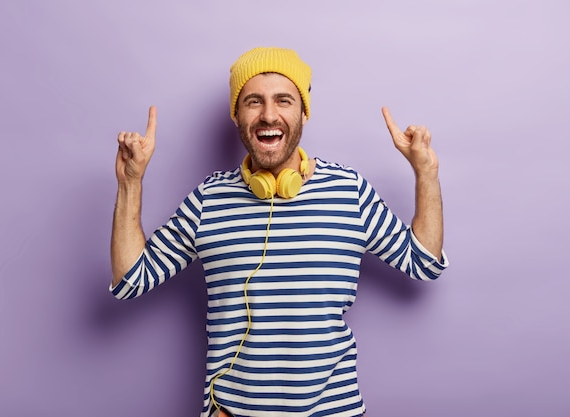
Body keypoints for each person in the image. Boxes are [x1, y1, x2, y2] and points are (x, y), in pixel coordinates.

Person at [110, 47, 448, 417]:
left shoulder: (348, 190)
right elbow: (130, 279)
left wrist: (426, 175)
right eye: (253, 101)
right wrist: (131, 183)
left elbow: (423, 263)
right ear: (236, 115)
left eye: (283, 100)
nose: (269, 115)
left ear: (303, 111)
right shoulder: (209, 199)